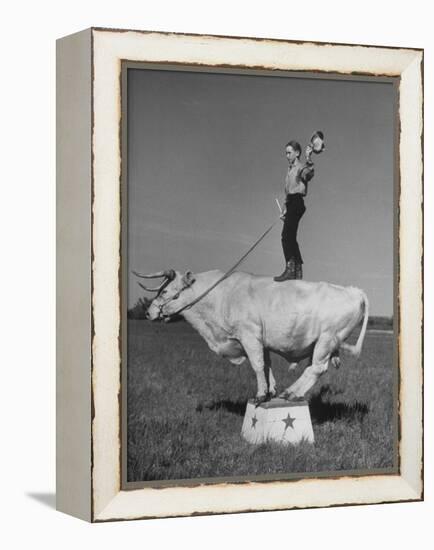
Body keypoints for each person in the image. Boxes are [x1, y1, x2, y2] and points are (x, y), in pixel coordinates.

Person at [273, 138, 317, 282]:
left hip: (297, 202)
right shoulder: (290, 169)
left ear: (297, 153)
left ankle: (290, 270)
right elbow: (288, 192)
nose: (287, 156)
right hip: (291, 203)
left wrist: (309, 158)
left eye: (289, 152)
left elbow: (308, 175)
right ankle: (297, 270)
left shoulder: (300, 167)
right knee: (291, 236)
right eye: (286, 153)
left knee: (286, 236)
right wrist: (285, 209)